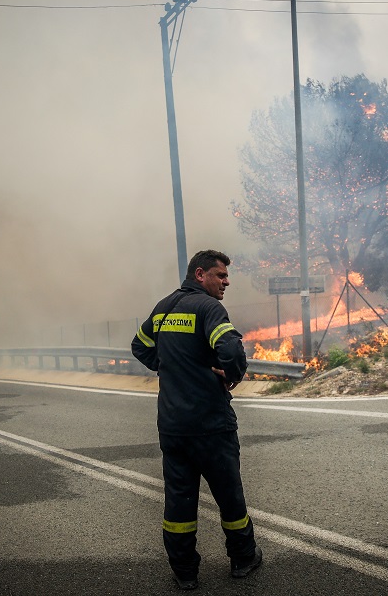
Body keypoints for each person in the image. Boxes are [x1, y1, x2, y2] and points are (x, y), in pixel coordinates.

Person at [131, 249, 262, 590]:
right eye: (221, 275)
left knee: (179, 502)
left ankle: (185, 573)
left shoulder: (162, 308)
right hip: (210, 425)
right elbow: (231, 350)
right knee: (229, 495)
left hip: (172, 427)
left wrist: (172, 367)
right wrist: (231, 375)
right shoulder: (208, 308)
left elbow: (140, 347)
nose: (226, 282)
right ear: (200, 274)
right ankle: (243, 558)